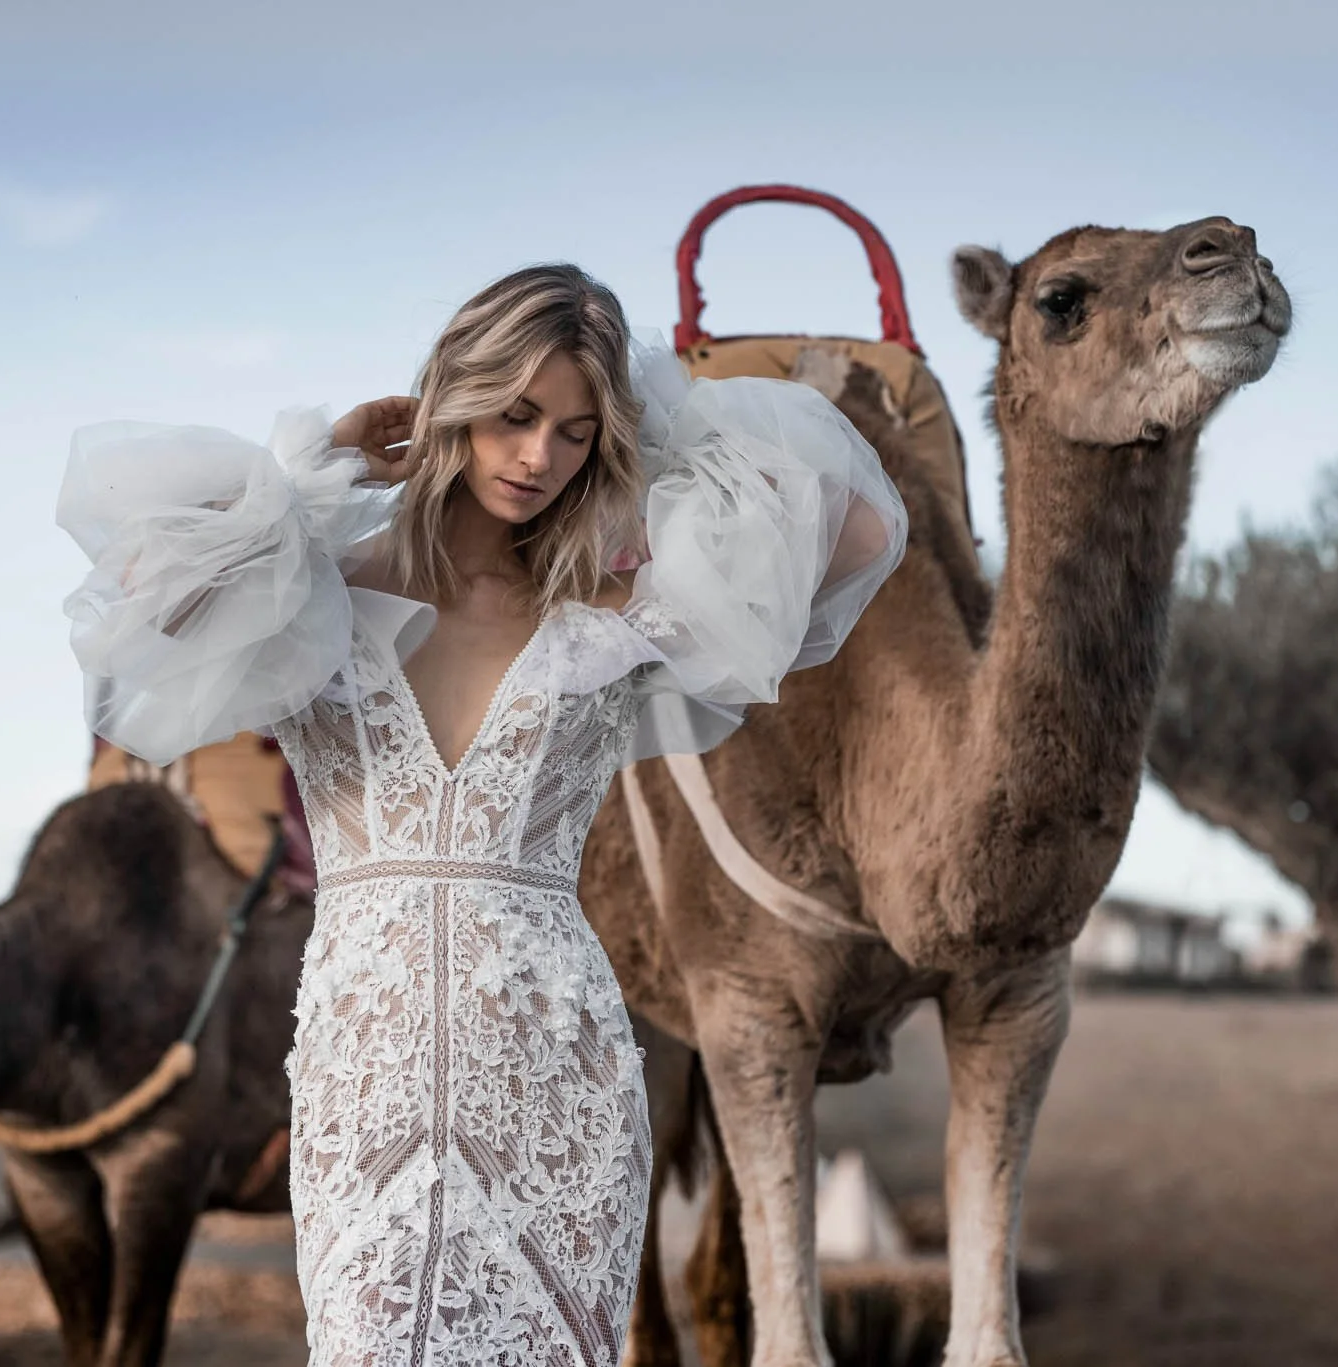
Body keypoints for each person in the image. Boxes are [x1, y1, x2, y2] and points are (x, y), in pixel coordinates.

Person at [55, 264, 905, 1367]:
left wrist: (658, 438)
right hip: (366, 1073)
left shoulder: (609, 604)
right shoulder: (317, 580)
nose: (536, 456)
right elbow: (140, 594)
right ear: (451, 395)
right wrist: (309, 477)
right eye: (512, 413)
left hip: (558, 1082)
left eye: (572, 430)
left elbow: (858, 531)